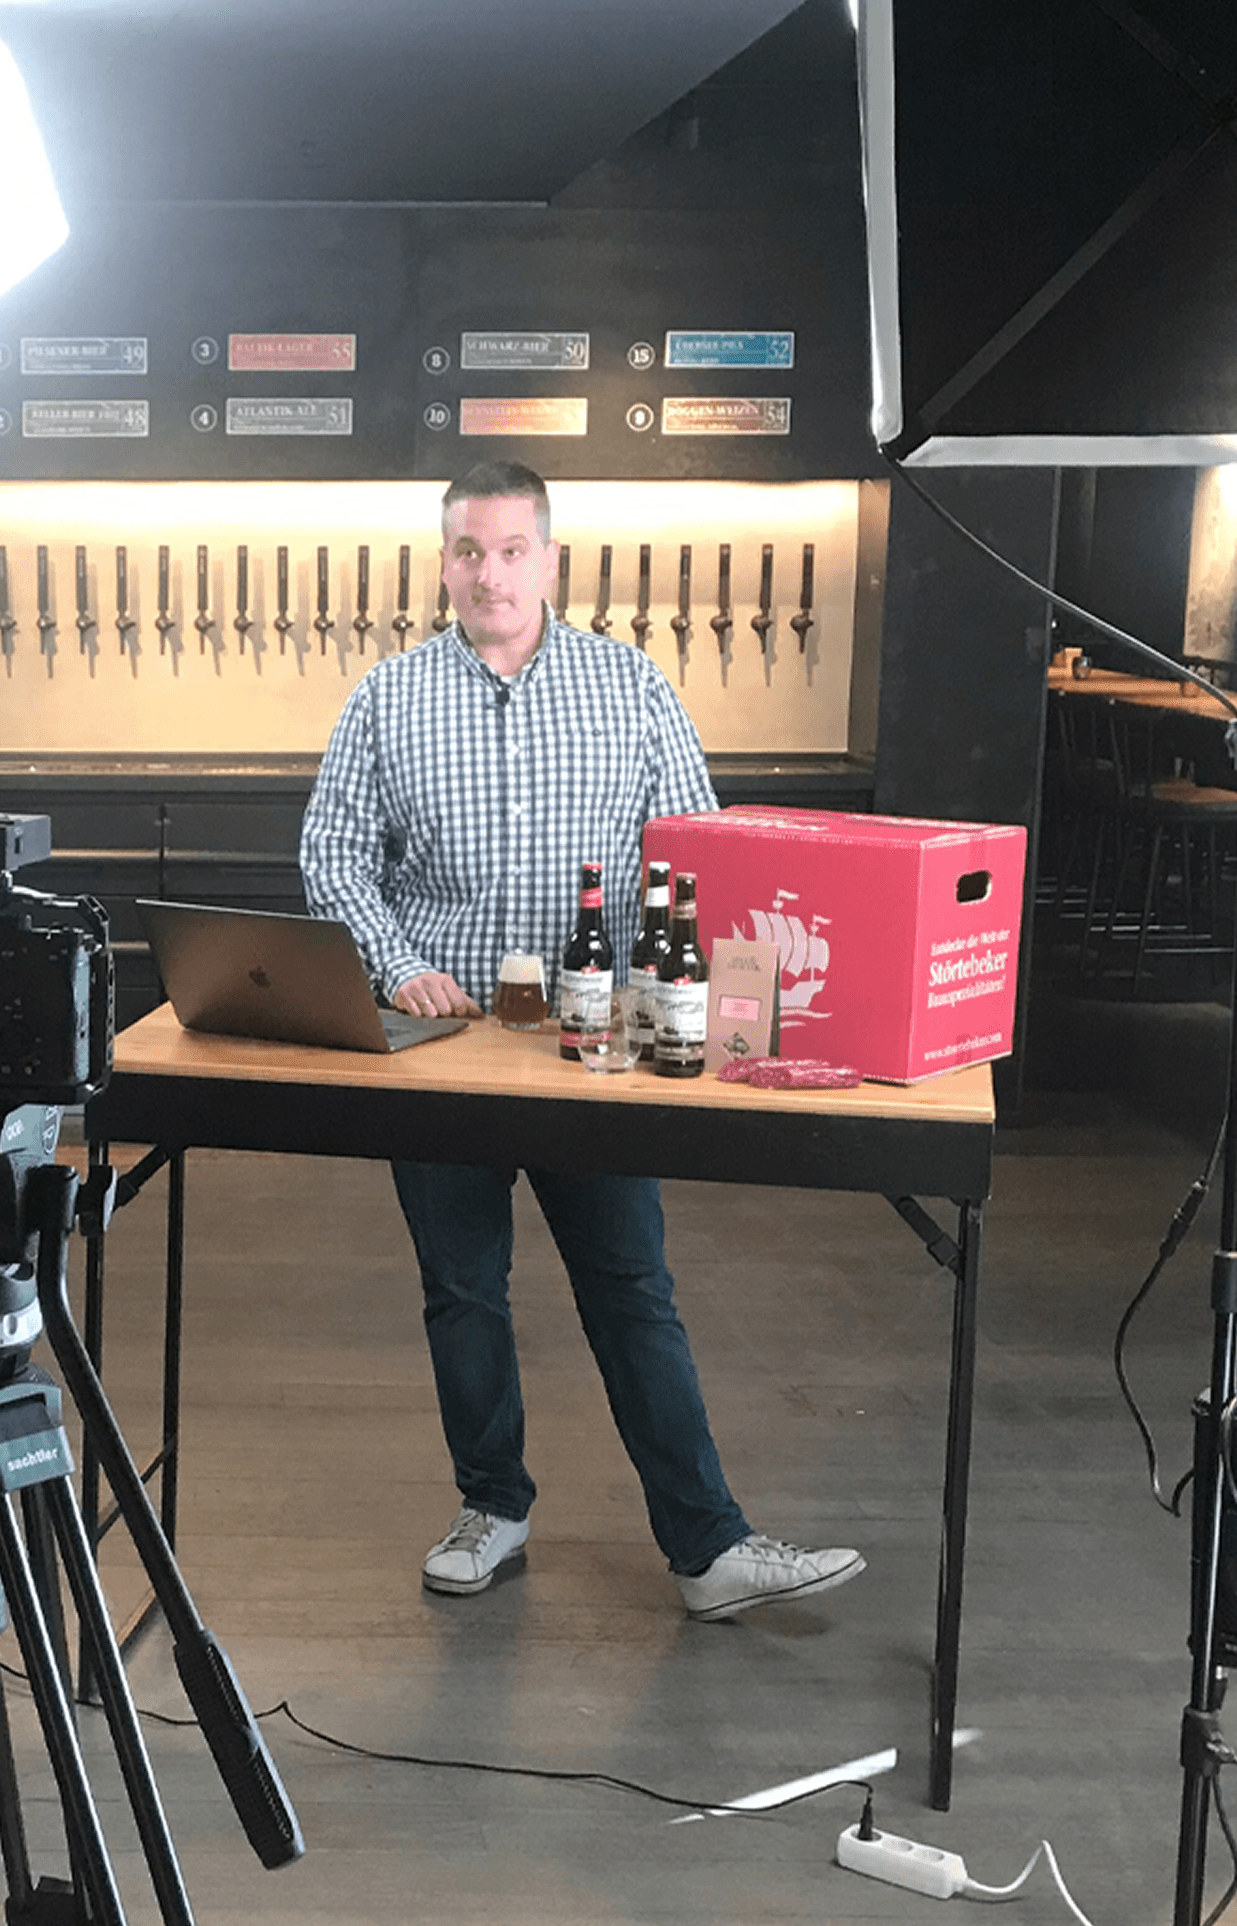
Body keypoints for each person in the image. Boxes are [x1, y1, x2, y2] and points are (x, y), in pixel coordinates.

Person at [299, 460, 863, 1619]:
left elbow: (699, 848)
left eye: (511, 550)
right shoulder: (387, 697)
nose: (488, 572)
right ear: (443, 558)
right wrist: (399, 961)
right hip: (440, 1051)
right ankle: (492, 1505)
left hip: (591, 1050)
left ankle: (708, 1548)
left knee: (631, 1286)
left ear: (551, 559)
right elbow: (332, 854)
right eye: (468, 550)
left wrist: (706, 1004)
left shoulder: (630, 686)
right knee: (462, 1288)